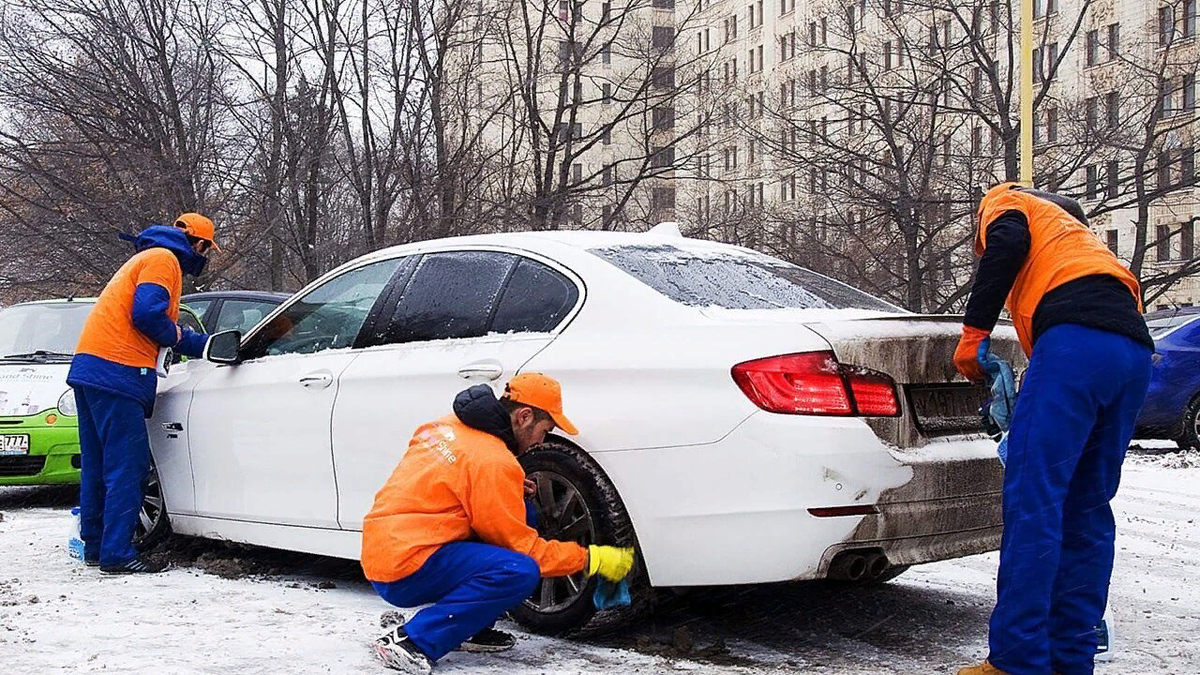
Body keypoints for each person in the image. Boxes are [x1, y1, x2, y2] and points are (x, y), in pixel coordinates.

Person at [954, 184, 1153, 675]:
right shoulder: (1086, 246)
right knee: (1087, 509)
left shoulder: (1008, 200)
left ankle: (1016, 660)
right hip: (1132, 356)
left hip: (1073, 347)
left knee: (1034, 501)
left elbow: (1006, 242)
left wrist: (975, 332)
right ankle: (1071, 658)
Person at [361, 372, 635, 674]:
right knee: (518, 571)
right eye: (544, 431)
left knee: (522, 513)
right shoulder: (492, 461)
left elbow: (451, 484)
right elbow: (525, 550)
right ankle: (412, 641)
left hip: (385, 549)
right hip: (404, 569)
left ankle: (468, 628)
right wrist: (589, 559)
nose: (540, 442)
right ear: (524, 416)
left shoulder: (447, 425)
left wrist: (508, 487)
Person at [67, 214, 216, 574]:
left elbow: (149, 320)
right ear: (198, 245)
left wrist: (198, 343)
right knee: (128, 466)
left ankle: (96, 546)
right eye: (206, 250)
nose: (204, 258)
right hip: (118, 371)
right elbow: (147, 315)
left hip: (91, 369)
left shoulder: (145, 257)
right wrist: (179, 336)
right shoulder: (164, 260)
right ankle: (118, 553)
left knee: (98, 465)